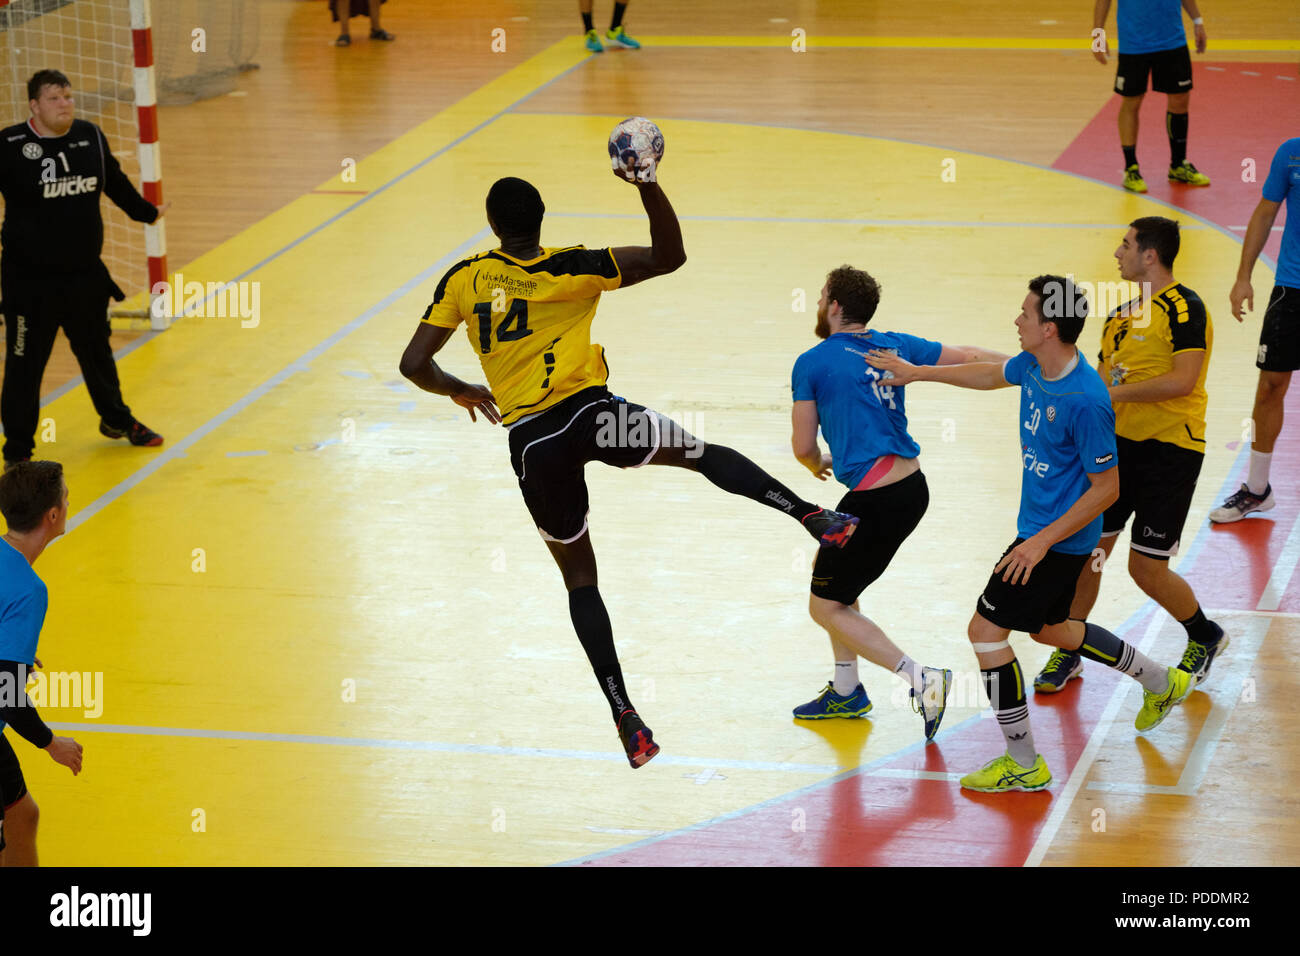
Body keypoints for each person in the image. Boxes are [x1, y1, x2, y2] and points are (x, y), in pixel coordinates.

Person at [399, 174, 860, 769]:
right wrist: (647, 184)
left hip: (535, 447)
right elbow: (670, 255)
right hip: (594, 417)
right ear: (542, 219)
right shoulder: (573, 265)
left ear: (493, 226)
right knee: (698, 453)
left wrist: (462, 389)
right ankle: (811, 515)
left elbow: (415, 363)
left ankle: (626, 715)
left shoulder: (462, 279)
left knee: (581, 581)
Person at [869, 276, 1194, 793]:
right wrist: (917, 374)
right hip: (1044, 534)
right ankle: (1162, 681)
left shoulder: (1086, 399)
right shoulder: (1037, 365)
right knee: (1053, 630)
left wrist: (1040, 543)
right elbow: (989, 374)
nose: (1015, 321)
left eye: (1023, 315)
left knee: (985, 634)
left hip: (1054, 540)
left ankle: (1023, 761)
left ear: (1048, 328)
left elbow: (1107, 489)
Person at [787, 266, 1011, 738]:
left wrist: (814, 465)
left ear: (832, 306)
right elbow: (969, 355)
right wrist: (1029, 366)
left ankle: (921, 679)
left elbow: (802, 446)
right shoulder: (895, 345)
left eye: (822, 295)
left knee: (824, 606)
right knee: (834, 575)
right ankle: (847, 690)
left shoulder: (812, 362)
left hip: (878, 497)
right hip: (908, 488)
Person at [1036, 218, 1226, 694]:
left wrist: (1111, 398)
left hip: (1171, 450)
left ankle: (1205, 634)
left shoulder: (1185, 308)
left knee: (1146, 568)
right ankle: (1070, 647)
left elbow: (1183, 380)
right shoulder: (1119, 314)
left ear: (1150, 255)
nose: (1117, 253)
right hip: (1117, 451)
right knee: (1089, 555)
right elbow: (1098, 382)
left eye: (1126, 245)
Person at [0, 70, 165, 467]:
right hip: (28, 283)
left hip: (84, 277)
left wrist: (145, 213)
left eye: (69, 97)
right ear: (34, 106)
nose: (65, 104)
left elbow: (114, 181)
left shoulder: (89, 137)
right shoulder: (8, 145)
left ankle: (116, 420)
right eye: (55, 98)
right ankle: (19, 449)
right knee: (24, 365)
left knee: (97, 353)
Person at [1210, 136, 1300, 522]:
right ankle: (1258, 490)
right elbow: (1265, 212)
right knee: (1270, 386)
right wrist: (1243, 276)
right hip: (1292, 287)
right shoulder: (1290, 152)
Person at [0, 460, 84, 866]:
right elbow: (8, 697)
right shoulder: (30, 591)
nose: (69, 503)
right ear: (53, 516)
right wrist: (53, 744)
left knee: (22, 815)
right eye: (66, 497)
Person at [1091, 0, 1210, 192]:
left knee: (1180, 99)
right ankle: (1131, 168)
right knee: (1132, 100)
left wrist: (1197, 21)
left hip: (1173, 41)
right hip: (1134, 43)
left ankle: (1178, 165)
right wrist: (1098, 34)